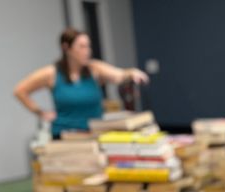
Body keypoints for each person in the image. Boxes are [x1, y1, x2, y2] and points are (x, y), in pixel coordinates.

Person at [13, 27, 148, 138]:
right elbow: (20, 91)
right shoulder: (51, 73)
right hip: (65, 135)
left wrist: (131, 73)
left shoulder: (94, 68)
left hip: (94, 133)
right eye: (81, 47)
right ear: (66, 48)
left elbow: (119, 75)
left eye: (88, 46)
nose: (87, 51)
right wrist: (41, 112)